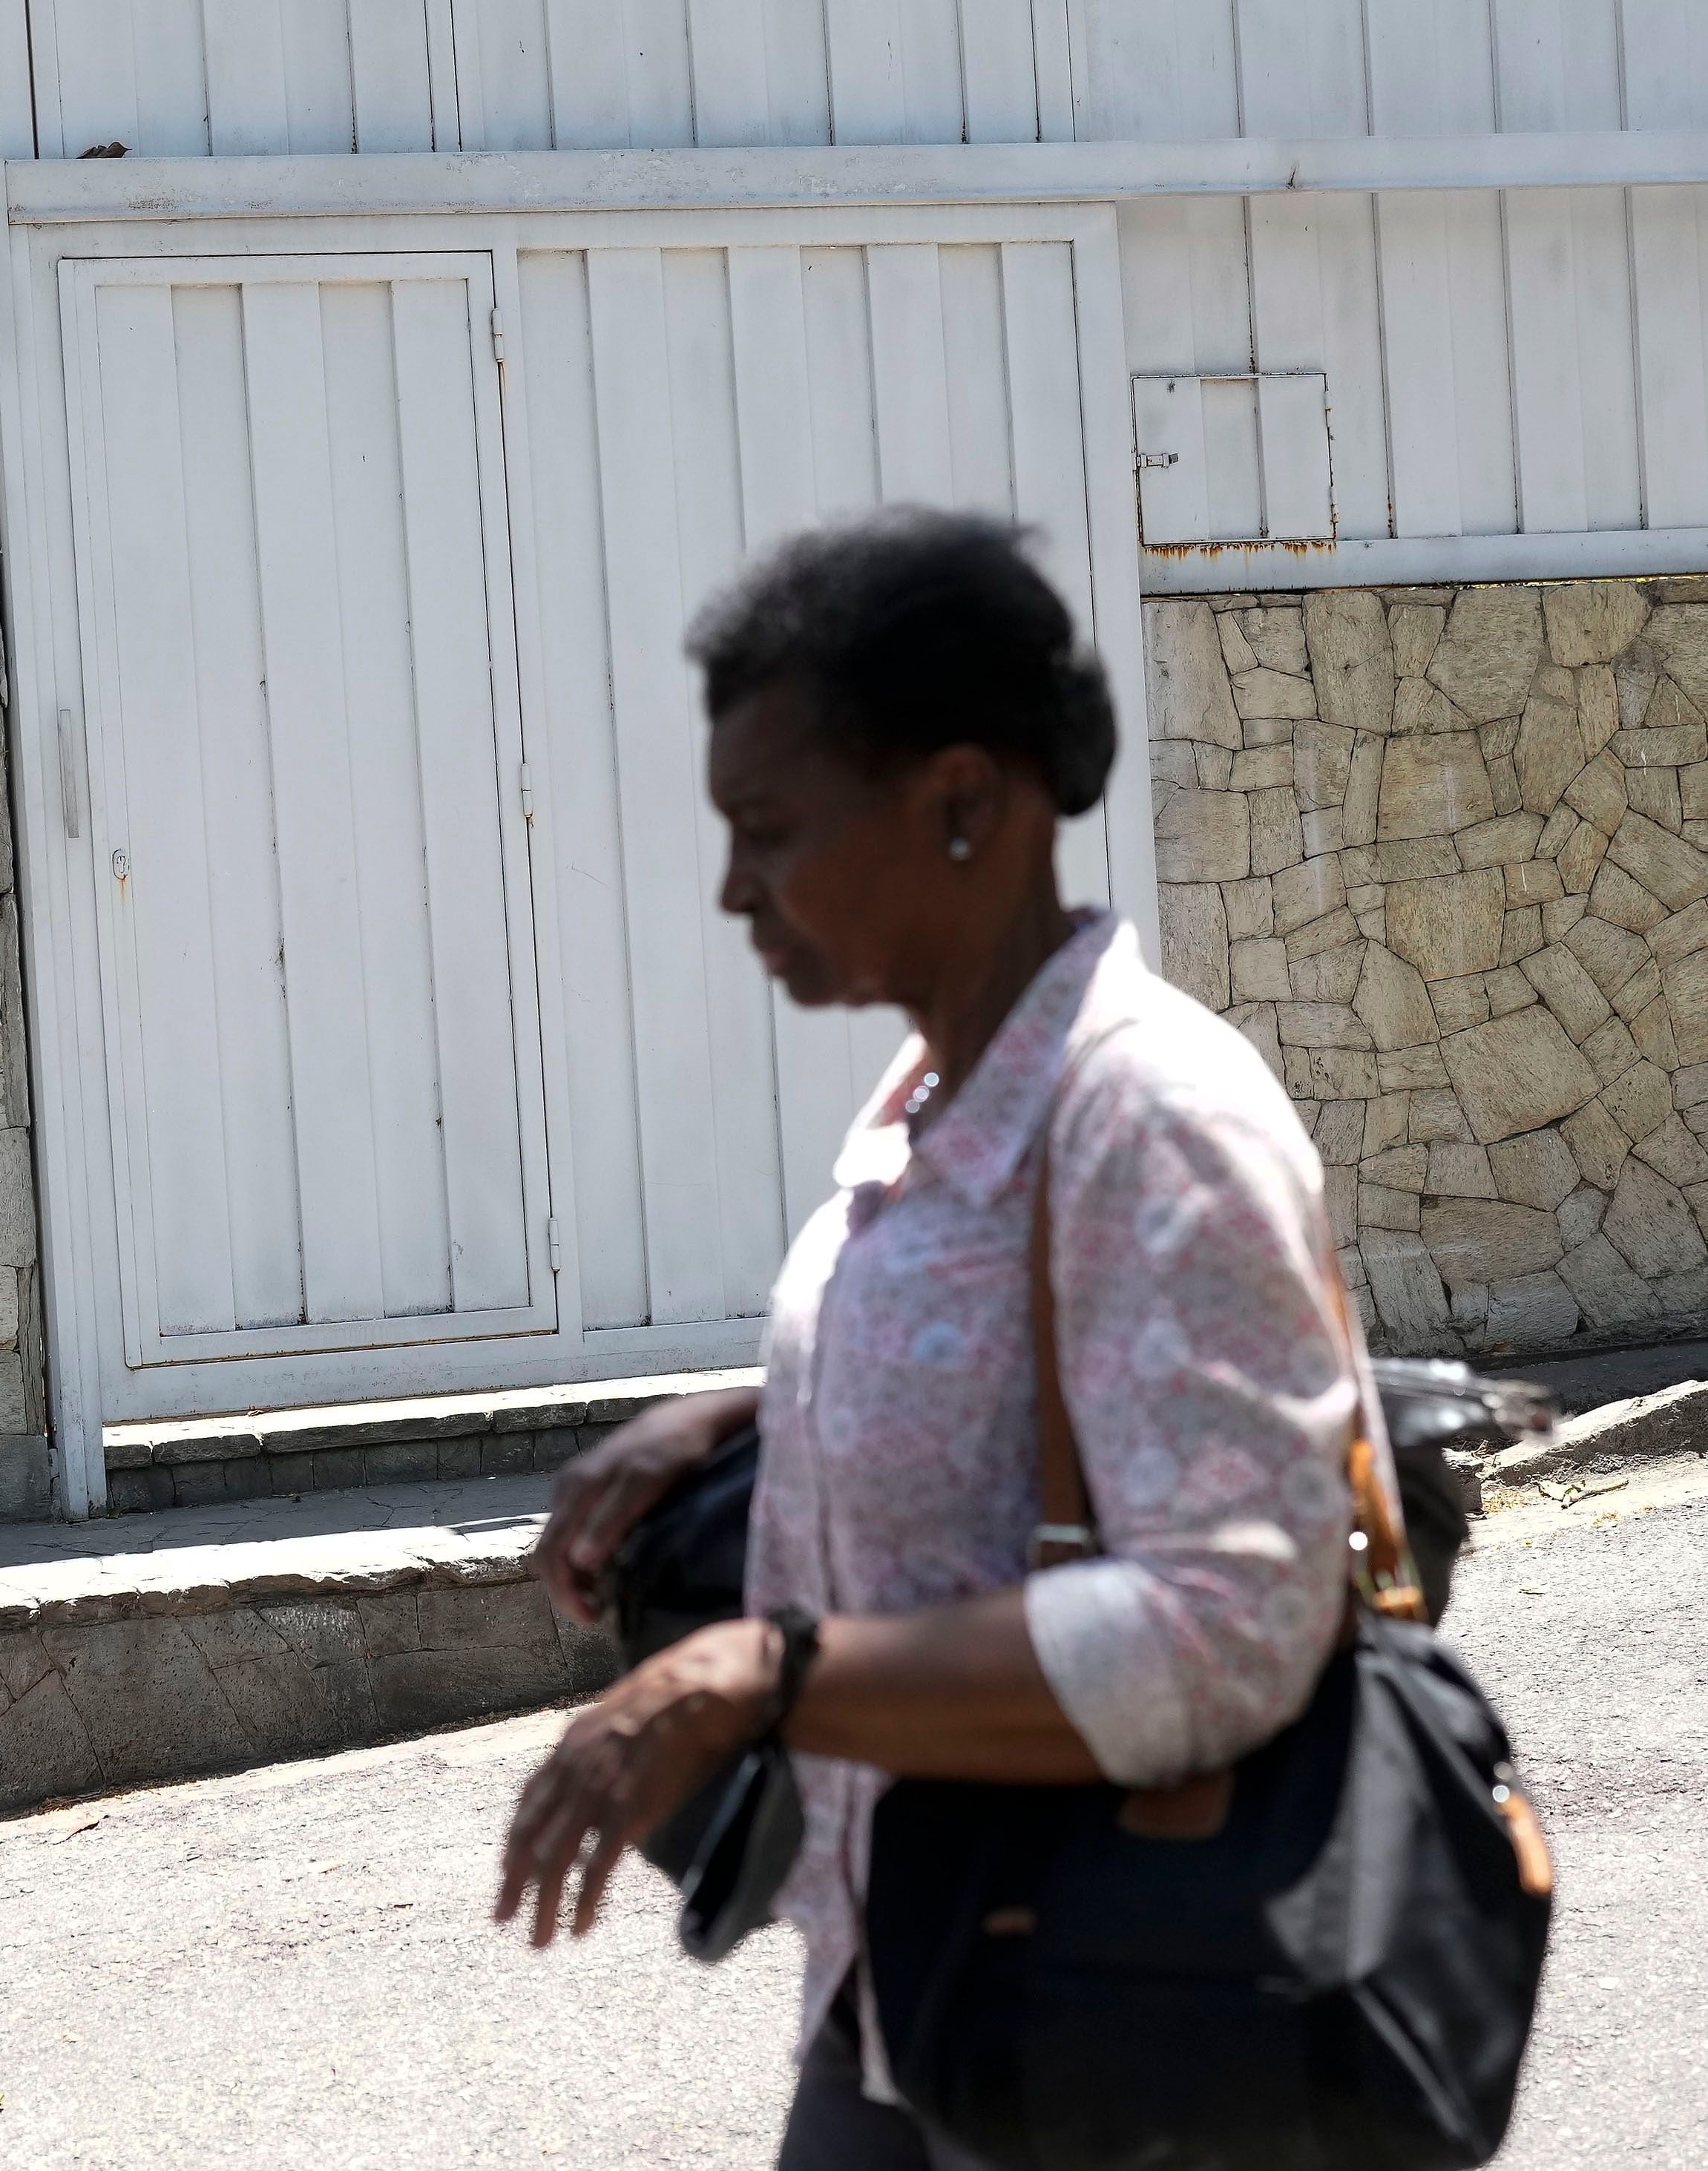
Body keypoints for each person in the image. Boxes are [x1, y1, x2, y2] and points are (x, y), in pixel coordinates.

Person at [490, 511, 1372, 2170]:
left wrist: (756, 1670)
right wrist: (754, 1415)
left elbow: (1232, 1615)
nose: (731, 888)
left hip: (1123, 2013)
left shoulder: (1148, 1112)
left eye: (767, 828)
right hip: (916, 1973)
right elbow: (1030, 1366)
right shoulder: (934, 1092)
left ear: (962, 800)